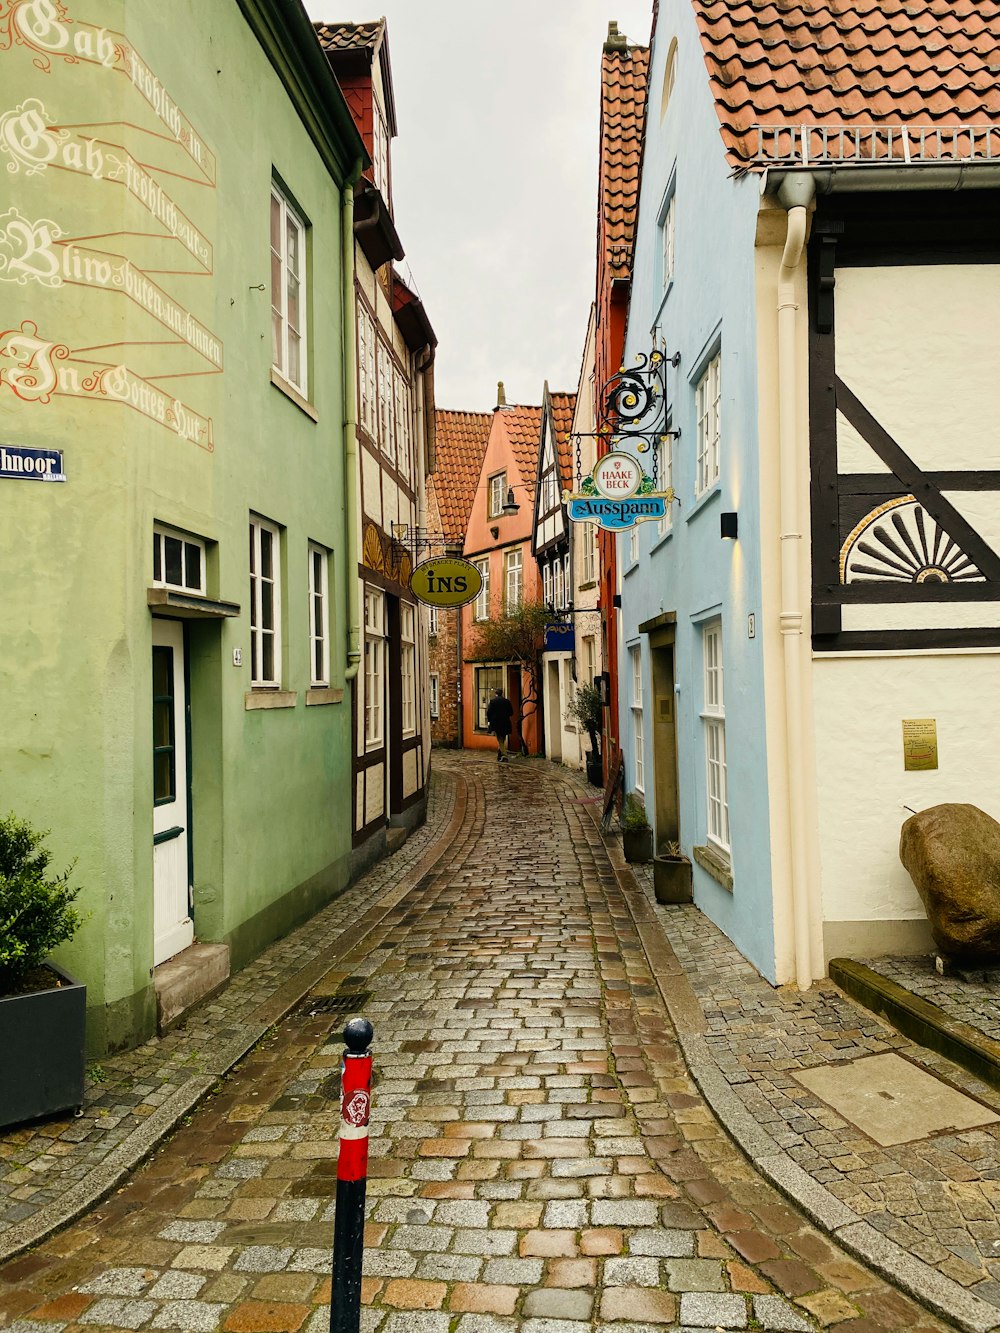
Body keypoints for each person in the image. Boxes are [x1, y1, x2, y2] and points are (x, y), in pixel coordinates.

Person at [486, 686, 514, 763]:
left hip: (496, 723)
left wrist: (489, 721)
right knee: (502, 738)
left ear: (496, 694)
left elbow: (489, 713)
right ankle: (500, 754)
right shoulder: (507, 701)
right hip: (505, 722)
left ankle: (504, 755)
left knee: (500, 739)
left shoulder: (493, 702)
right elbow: (511, 712)